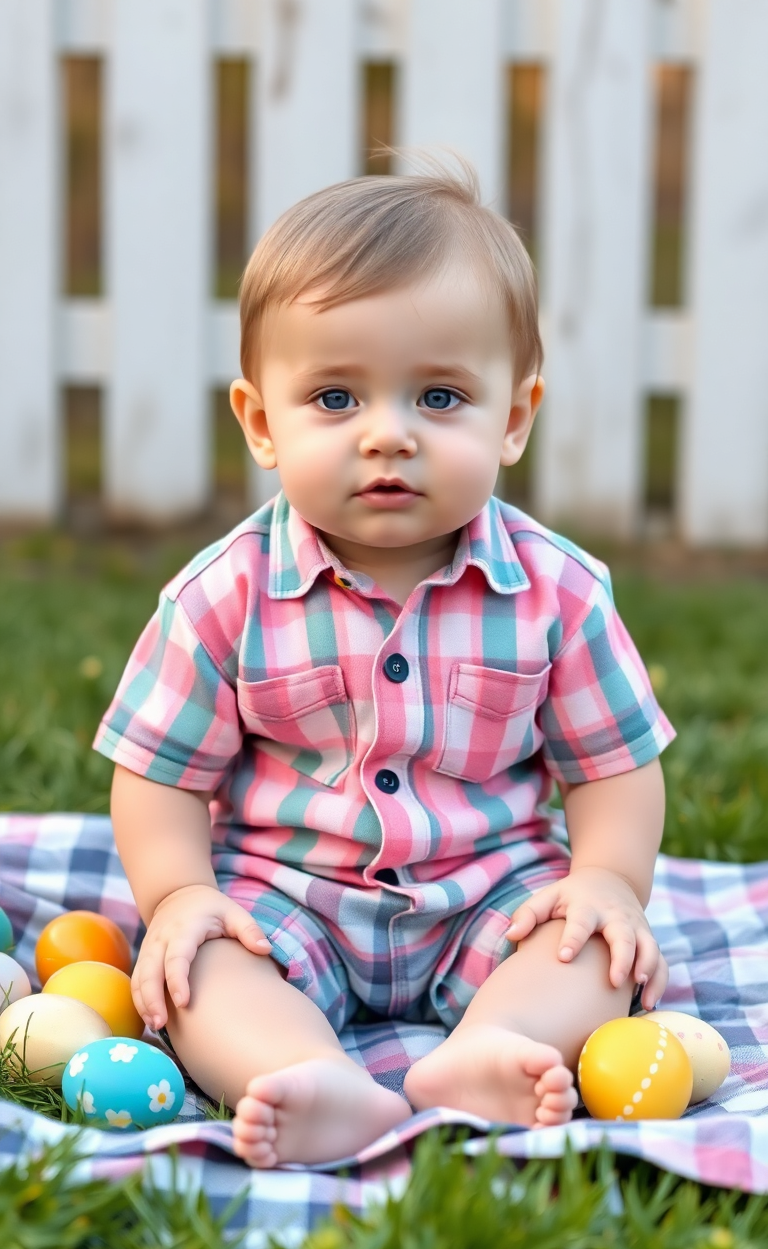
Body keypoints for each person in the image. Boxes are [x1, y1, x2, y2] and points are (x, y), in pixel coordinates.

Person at [95, 162, 675, 1169]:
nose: (389, 434)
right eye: (334, 396)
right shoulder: (219, 597)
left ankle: (495, 1046)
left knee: (594, 952)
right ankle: (302, 1071)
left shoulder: (561, 594)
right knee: (195, 971)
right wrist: (181, 895)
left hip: (491, 894)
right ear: (262, 422)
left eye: (440, 395)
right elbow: (158, 778)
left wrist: (609, 881)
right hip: (287, 895)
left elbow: (611, 767)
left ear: (515, 417)